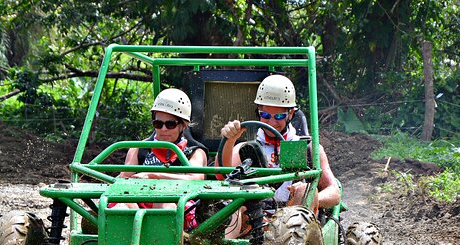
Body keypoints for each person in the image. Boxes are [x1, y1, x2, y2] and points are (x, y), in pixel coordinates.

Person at [218, 74, 340, 235]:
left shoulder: (308, 148)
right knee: (234, 202)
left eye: (279, 116)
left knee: (304, 190)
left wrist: (312, 196)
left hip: (294, 222)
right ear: (258, 113)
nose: (271, 122)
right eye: (266, 115)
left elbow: (334, 193)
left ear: (290, 114)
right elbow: (222, 176)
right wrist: (229, 141)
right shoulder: (248, 148)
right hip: (255, 217)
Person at [116, 88, 207, 230]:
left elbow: (196, 180)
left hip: (178, 205)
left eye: (170, 124)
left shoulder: (194, 152)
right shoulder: (138, 149)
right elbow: (122, 183)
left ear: (183, 125)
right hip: (141, 200)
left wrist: (154, 176)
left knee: (164, 206)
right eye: (158, 124)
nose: (163, 129)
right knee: (122, 208)